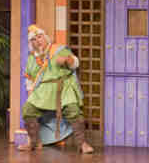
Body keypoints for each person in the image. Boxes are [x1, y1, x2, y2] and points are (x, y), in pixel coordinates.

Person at [19, 24, 94, 154]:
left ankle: (82, 144)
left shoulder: (58, 50)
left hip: (63, 87)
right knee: (28, 110)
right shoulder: (32, 58)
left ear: (45, 37)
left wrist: (66, 60)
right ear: (31, 43)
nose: (38, 41)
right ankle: (33, 142)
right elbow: (29, 80)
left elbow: (75, 63)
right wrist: (31, 95)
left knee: (73, 110)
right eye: (34, 39)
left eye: (39, 37)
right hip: (43, 90)